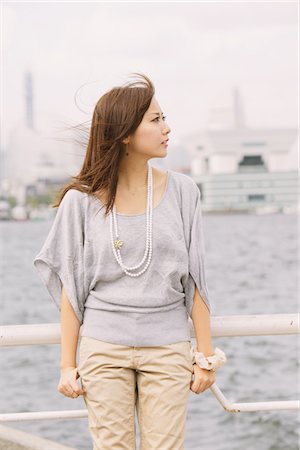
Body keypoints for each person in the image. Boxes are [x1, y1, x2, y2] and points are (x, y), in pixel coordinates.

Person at [33, 73, 226, 450]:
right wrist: (65, 365)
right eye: (155, 120)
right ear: (124, 134)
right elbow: (72, 288)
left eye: (164, 118)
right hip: (103, 349)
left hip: (168, 347)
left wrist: (206, 356)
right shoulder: (81, 201)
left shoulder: (184, 191)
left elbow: (197, 279)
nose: (167, 128)